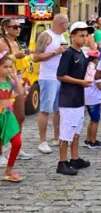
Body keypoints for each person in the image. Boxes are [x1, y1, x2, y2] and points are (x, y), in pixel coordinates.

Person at [56, 21, 93, 176]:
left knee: (77, 131)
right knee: (66, 132)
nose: (84, 39)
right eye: (81, 36)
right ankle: (62, 162)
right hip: (68, 99)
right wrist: (80, 82)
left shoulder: (81, 53)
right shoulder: (68, 53)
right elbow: (60, 75)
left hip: (79, 99)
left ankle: (74, 158)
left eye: (86, 36)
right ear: (72, 36)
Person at [32, 13, 69, 154]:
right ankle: (42, 141)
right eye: (66, 23)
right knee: (45, 109)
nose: (67, 26)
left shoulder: (62, 37)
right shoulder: (46, 36)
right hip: (48, 77)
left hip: (59, 76)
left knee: (58, 109)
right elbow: (36, 57)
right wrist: (55, 52)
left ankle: (56, 137)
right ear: (61, 24)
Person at [0, 18, 32, 161]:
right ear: (6, 28)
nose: (18, 29)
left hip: (17, 78)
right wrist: (15, 56)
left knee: (20, 116)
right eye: (14, 27)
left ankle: (16, 148)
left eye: (20, 27)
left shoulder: (16, 42)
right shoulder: (2, 42)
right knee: (2, 118)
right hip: (5, 81)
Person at [0, 54, 25, 181]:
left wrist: (16, 77)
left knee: (17, 142)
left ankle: (9, 169)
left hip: (8, 116)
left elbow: (20, 92)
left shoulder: (10, 80)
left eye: (10, 67)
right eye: (5, 67)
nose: (8, 69)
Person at [83, 50, 101, 149]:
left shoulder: (87, 68)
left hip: (87, 97)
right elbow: (100, 86)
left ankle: (88, 139)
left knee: (91, 120)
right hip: (94, 98)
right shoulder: (96, 71)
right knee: (95, 120)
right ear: (95, 59)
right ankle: (93, 141)